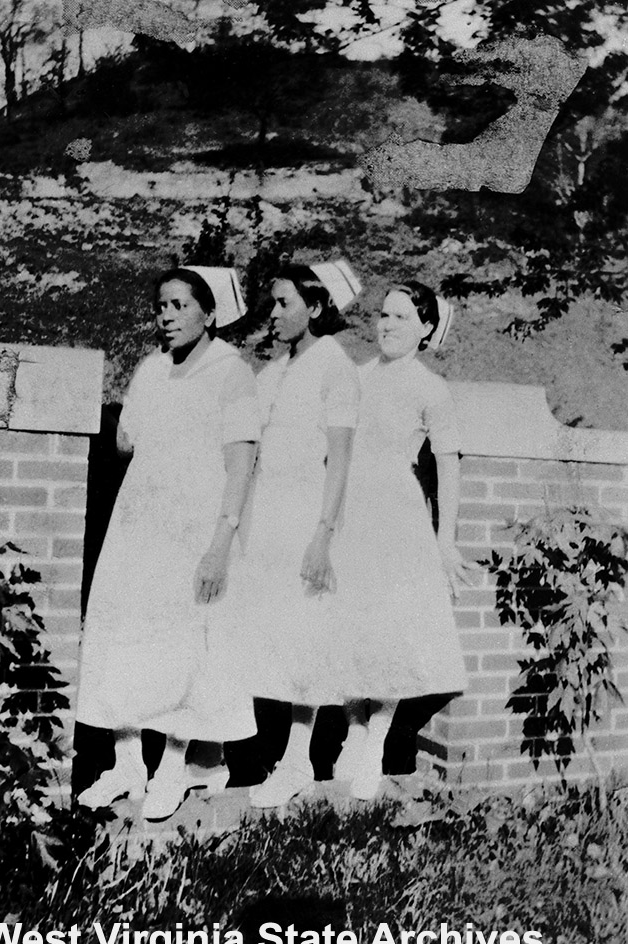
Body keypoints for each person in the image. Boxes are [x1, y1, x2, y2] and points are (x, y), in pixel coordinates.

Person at [75, 266, 261, 821]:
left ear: (209, 313)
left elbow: (242, 464)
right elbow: (126, 442)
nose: (168, 315)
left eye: (181, 305)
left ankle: (172, 770)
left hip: (195, 532)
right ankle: (127, 763)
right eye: (162, 305)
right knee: (126, 634)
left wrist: (219, 544)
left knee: (187, 645)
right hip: (139, 528)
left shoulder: (233, 373)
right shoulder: (152, 368)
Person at [215, 260, 363, 809]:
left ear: (317, 308)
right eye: (272, 303)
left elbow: (341, 459)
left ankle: (299, 757)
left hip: (306, 512)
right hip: (263, 512)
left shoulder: (336, 367)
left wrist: (323, 533)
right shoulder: (273, 369)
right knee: (262, 630)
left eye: (284, 304)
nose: (272, 314)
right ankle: (240, 753)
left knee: (303, 632)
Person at [330, 280, 475, 800]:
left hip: (395, 515)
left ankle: (376, 743)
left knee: (389, 627)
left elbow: (449, 465)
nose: (386, 325)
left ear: (425, 328)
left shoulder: (430, 388)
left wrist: (445, 540)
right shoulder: (356, 376)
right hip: (347, 511)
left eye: (399, 317)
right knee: (346, 619)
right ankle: (352, 730)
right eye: (382, 315)